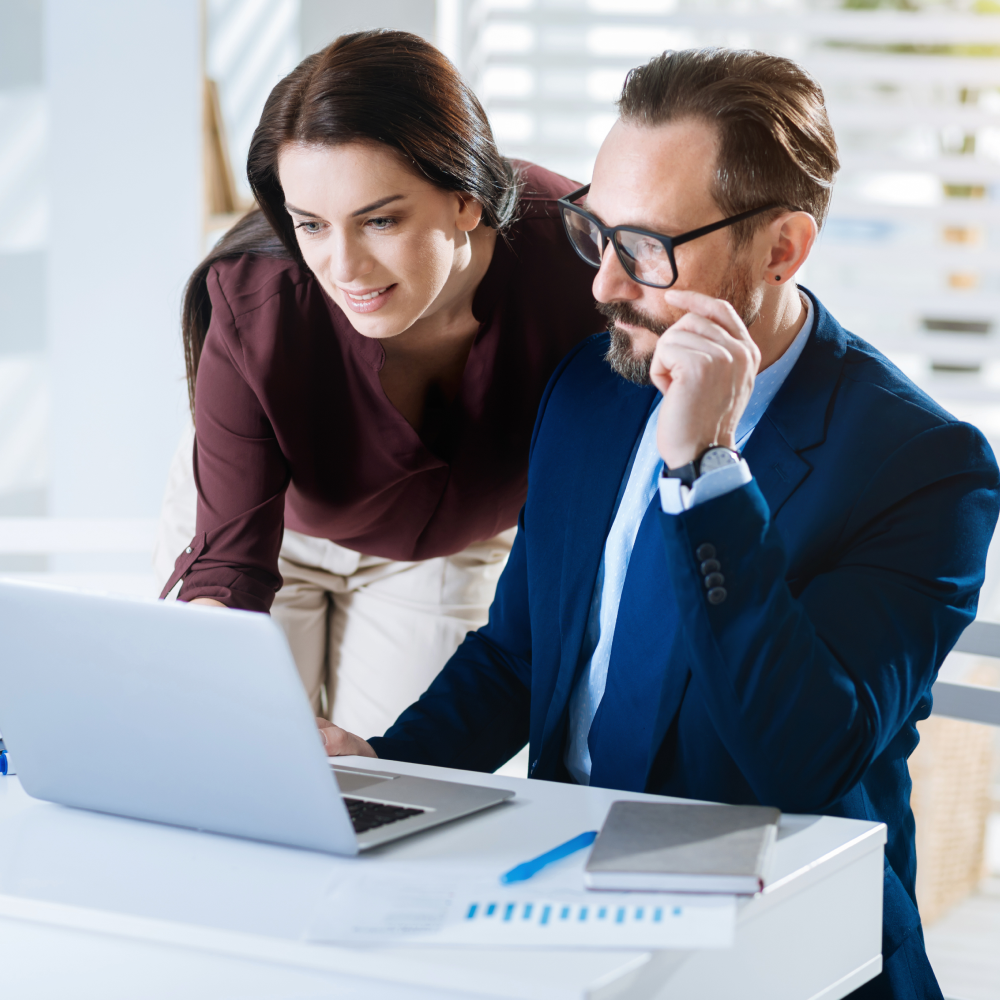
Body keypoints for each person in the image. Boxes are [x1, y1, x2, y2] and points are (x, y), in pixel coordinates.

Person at [318, 48, 1000, 1000]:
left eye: (644, 247)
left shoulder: (923, 465)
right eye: (595, 231)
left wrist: (706, 473)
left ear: (782, 249)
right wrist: (384, 774)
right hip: (564, 906)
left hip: (786, 937)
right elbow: (521, 655)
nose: (604, 284)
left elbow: (803, 763)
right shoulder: (594, 388)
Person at [155, 30, 604, 738]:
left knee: (391, 781)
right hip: (267, 527)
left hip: (443, 547)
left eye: (381, 220)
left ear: (466, 199)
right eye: (311, 225)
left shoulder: (586, 262)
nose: (345, 269)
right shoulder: (253, 297)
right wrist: (205, 691)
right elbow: (229, 566)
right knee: (224, 749)